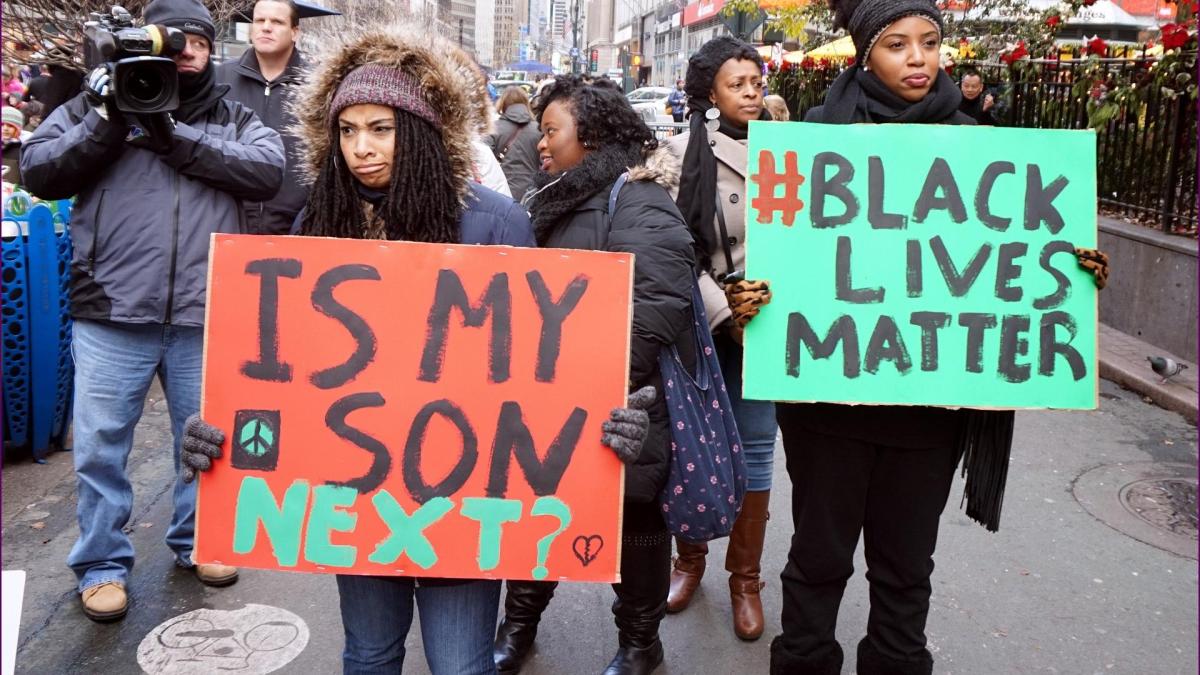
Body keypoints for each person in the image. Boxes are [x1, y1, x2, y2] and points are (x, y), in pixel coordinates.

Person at [180, 26, 658, 675]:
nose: (361, 147)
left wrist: (610, 421)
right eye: (346, 131)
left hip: (463, 503)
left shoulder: (495, 225)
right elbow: (283, 383)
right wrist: (224, 433)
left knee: (460, 664)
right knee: (370, 655)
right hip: (356, 503)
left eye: (379, 127)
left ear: (421, 130)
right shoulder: (316, 227)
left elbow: (542, 375)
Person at [767, 0, 1108, 672]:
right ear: (867, 52)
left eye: (929, 42)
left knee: (904, 570)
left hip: (929, 413)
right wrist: (758, 295)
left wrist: (1077, 270)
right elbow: (784, 260)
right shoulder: (816, 137)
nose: (918, 58)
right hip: (828, 406)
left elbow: (1016, 252)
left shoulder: (980, 141)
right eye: (897, 44)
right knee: (818, 559)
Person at [19, 0, 284, 623]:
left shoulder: (235, 116)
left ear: (210, 48)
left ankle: (201, 541)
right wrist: (111, 120)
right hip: (110, 307)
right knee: (101, 447)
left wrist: (172, 137)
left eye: (197, 39)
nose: (186, 50)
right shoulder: (95, 106)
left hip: (205, 308)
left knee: (204, 444)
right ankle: (102, 564)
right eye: (174, 39)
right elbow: (39, 170)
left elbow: (267, 171)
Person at [492, 76, 697, 675]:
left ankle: (639, 642)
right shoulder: (556, 196)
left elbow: (657, 302)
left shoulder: (638, 199)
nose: (542, 143)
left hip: (625, 403)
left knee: (635, 521)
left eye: (552, 130)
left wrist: (586, 374)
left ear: (595, 134)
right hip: (550, 397)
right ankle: (520, 625)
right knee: (543, 510)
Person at [660, 35, 778, 643]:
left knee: (757, 450)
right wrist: (720, 308)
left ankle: (745, 580)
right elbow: (671, 249)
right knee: (693, 444)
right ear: (711, 91)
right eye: (739, 83)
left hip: (771, 324)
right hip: (704, 324)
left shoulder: (794, 151)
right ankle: (689, 562)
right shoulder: (678, 155)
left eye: (757, 81)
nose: (752, 92)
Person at [216, 0, 309, 234]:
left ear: (295, 32)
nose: (266, 27)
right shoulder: (219, 78)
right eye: (259, 20)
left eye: (277, 22)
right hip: (228, 224)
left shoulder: (317, 83)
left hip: (298, 227)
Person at [486, 86, 541, 200]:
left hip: (501, 193)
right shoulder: (539, 129)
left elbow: (483, 160)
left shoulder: (493, 128)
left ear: (503, 103)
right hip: (532, 193)